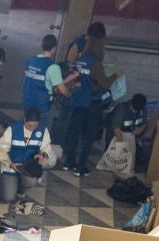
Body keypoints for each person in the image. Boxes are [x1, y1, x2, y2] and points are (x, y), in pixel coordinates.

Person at [56, 22, 108, 175]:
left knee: (74, 132)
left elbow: (73, 75)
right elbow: (101, 83)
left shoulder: (81, 57)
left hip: (77, 100)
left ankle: (69, 162)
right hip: (92, 103)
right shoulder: (96, 61)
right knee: (88, 136)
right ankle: (81, 166)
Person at [21, 35, 62, 130]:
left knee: (26, 131)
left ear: (42, 45)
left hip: (28, 103)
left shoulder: (30, 61)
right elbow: (62, 90)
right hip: (43, 107)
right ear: (54, 48)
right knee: (42, 133)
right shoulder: (52, 67)